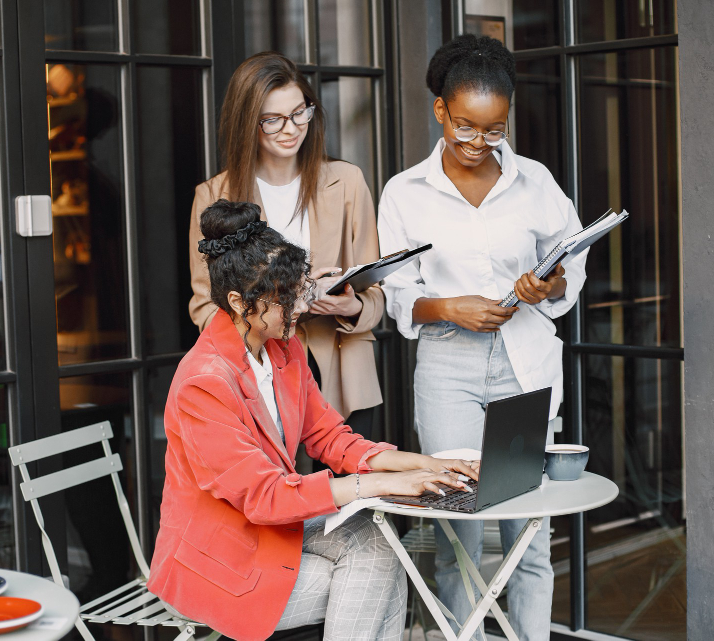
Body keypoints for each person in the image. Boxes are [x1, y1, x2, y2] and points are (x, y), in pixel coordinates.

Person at [148, 199, 480, 641]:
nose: (300, 309)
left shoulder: (283, 349)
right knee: (376, 576)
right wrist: (379, 484)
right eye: (285, 300)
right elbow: (264, 495)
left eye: (299, 292)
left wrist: (425, 466)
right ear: (238, 302)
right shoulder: (202, 384)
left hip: (267, 532)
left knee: (379, 551)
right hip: (217, 560)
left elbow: (330, 438)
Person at [377, 34, 588, 641]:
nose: (477, 143)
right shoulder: (405, 192)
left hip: (523, 364)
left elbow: (570, 264)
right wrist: (450, 307)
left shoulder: (536, 182)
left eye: (493, 130)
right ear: (440, 110)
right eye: (464, 126)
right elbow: (396, 294)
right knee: (456, 540)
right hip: (447, 371)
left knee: (528, 536)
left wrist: (545, 288)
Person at [188, 51, 383, 444]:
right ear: (248, 122)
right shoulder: (214, 196)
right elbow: (204, 304)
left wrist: (353, 306)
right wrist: (265, 320)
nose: (291, 128)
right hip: (257, 370)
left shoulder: (346, 182)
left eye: (300, 113)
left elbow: (375, 289)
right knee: (280, 497)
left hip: (342, 368)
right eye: (273, 119)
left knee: (357, 491)